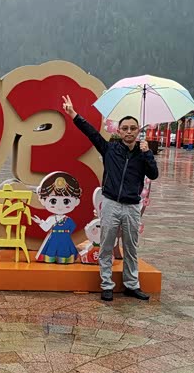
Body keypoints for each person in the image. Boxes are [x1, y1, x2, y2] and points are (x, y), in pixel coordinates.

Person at [61, 95, 158, 301]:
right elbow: (91, 133)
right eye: (125, 128)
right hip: (111, 203)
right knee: (106, 246)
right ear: (119, 131)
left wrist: (148, 154)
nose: (129, 131)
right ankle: (106, 284)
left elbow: (153, 174)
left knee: (131, 248)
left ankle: (132, 285)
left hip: (132, 206)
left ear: (138, 131)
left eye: (133, 128)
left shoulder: (143, 153)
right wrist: (73, 114)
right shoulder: (109, 150)